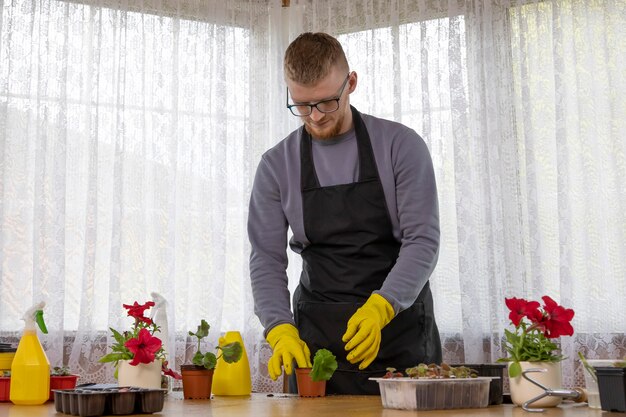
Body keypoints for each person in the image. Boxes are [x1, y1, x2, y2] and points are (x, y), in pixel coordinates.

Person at [248, 32, 442, 395]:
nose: (315, 117)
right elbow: (266, 259)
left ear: (350, 83)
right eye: (302, 105)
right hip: (316, 341)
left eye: (326, 102)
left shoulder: (401, 146)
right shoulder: (276, 165)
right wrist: (279, 327)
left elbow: (423, 241)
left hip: (398, 333)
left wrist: (381, 309)